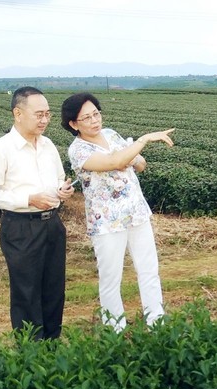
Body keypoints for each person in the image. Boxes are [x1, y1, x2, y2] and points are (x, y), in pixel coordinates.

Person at [60, 92, 174, 332]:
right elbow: (114, 162)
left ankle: (156, 321)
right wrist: (139, 142)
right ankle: (115, 328)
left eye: (96, 114)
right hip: (106, 221)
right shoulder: (78, 150)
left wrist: (127, 156)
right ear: (73, 124)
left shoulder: (111, 134)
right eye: (86, 118)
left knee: (149, 269)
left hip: (136, 212)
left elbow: (139, 164)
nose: (94, 121)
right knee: (111, 277)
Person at [0, 86, 74, 339]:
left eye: (48, 114)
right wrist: (28, 199)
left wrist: (62, 190)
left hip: (52, 224)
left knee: (54, 289)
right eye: (39, 114)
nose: (44, 120)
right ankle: (31, 353)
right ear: (18, 113)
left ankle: (52, 346)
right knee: (27, 292)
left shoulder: (48, 145)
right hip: (21, 227)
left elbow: (57, 178)